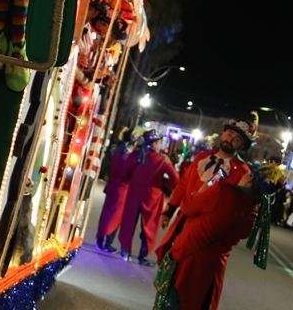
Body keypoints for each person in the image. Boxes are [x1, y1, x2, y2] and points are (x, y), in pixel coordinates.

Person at [154, 113, 258, 310]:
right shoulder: (202, 158)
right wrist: (170, 210)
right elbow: (184, 185)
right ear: (223, 134)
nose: (230, 139)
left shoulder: (243, 172)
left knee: (196, 282)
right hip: (185, 219)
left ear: (241, 146)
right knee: (172, 266)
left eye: (236, 139)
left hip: (207, 230)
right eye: (229, 134)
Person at [119, 129, 178, 266]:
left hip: (134, 193)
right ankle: (143, 257)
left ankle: (125, 253)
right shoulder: (162, 159)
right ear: (155, 143)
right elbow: (175, 177)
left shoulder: (136, 155)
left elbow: (124, 170)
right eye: (159, 143)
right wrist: (166, 187)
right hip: (152, 196)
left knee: (129, 223)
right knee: (149, 227)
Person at [95, 129, 137, 253]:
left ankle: (102, 240)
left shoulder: (117, 153)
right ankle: (105, 242)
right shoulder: (128, 157)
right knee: (114, 217)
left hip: (112, 186)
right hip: (121, 189)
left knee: (107, 214)